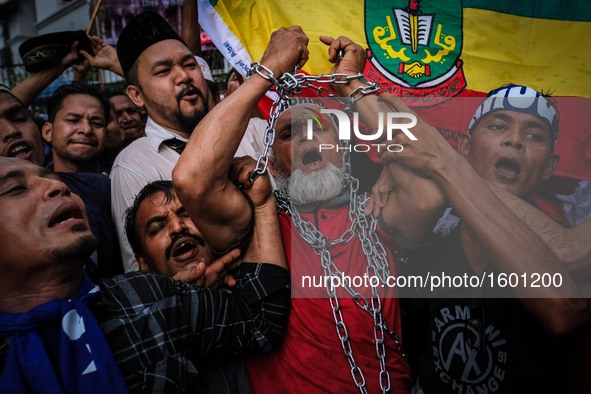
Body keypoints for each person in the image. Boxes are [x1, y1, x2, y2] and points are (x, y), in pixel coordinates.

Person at [172, 29, 412, 393]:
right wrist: (269, 69)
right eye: (288, 134)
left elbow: (432, 170)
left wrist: (352, 84)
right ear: (271, 158)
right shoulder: (258, 222)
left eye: (320, 127)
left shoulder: (380, 207)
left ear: (343, 147)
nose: (306, 137)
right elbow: (192, 178)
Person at [0, 156, 290, 393]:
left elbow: (261, 323)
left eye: (57, 180)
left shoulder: (149, 300)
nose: (57, 187)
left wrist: (262, 204)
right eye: (15, 188)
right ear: (142, 261)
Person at [370, 85, 591, 393]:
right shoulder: (432, 228)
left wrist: (445, 167)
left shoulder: (570, 247)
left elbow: (564, 313)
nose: (514, 140)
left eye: (534, 135)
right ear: (464, 146)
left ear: (550, 168)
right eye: (498, 126)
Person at [108, 11, 270, 272]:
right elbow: (142, 271)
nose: (183, 76)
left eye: (190, 64)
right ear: (137, 95)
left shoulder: (255, 131)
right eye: (163, 71)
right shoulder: (132, 165)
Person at [0, 84, 123, 280]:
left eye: (19, 118)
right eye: (73, 120)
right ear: (48, 131)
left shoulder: (101, 187)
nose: (11, 130)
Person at [41, 82, 110, 174]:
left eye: (96, 123)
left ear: (106, 134)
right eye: (73, 120)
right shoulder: (34, 186)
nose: (87, 129)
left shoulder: (121, 181)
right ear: (48, 131)